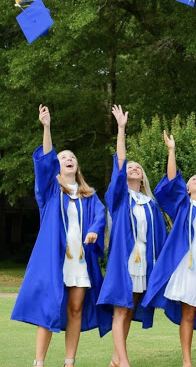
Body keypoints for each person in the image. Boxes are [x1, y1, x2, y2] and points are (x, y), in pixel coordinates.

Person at [11, 105, 108, 367]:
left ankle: (69, 362)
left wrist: (93, 231)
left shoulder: (89, 195)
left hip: (79, 261)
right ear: (58, 165)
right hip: (55, 260)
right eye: (63, 156)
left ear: (77, 166)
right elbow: (44, 161)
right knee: (48, 309)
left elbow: (100, 216)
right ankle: (39, 362)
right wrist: (46, 127)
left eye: (72, 157)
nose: (68, 158)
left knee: (75, 309)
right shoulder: (50, 192)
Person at [142, 131, 196, 367]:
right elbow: (171, 182)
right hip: (188, 267)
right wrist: (171, 151)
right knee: (189, 313)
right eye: (193, 179)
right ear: (188, 190)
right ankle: (187, 362)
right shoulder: (183, 206)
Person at [97, 105, 166, 367]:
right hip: (123, 261)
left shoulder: (150, 204)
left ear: (143, 176)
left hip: (144, 262)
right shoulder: (119, 198)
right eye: (131, 167)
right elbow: (120, 162)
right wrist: (121, 130)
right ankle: (124, 361)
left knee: (129, 310)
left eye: (138, 167)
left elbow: (160, 236)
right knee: (120, 308)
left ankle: (116, 359)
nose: (134, 168)